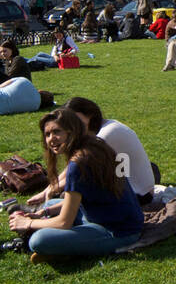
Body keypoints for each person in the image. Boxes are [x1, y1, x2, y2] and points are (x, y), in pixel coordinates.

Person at [12, 107, 144, 262]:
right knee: (52, 204)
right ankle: (70, 242)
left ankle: (68, 248)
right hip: (112, 216)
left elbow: (64, 222)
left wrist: (29, 223)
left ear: (71, 131)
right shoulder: (94, 145)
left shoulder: (79, 163)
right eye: (47, 134)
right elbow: (85, 198)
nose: (51, 139)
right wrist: (44, 213)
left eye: (57, 132)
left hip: (117, 231)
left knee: (38, 240)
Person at [36, 96, 158, 207]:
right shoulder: (97, 131)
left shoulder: (107, 134)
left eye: (75, 119)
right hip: (130, 186)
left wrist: (54, 189)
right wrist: (48, 188)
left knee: (72, 194)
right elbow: (72, 167)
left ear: (90, 115)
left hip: (137, 196)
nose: (72, 124)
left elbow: (76, 169)